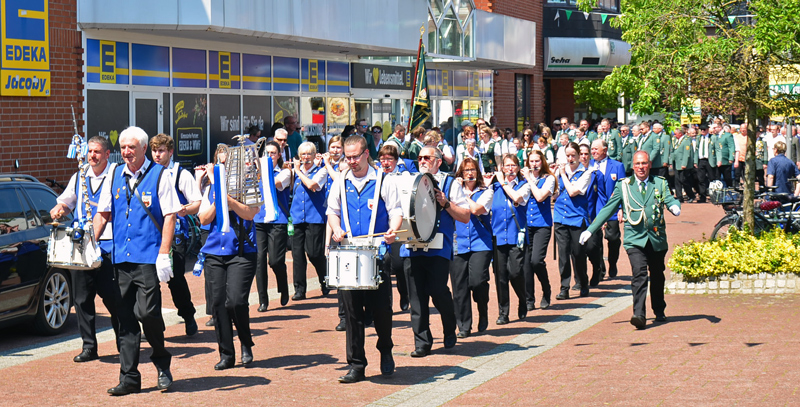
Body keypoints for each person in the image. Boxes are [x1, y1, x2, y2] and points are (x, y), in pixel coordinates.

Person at [93, 126, 179, 395]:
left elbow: (170, 216)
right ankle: (129, 377)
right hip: (120, 260)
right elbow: (103, 212)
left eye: (132, 147)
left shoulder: (160, 175)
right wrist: (91, 245)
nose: (126, 152)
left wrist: (164, 253)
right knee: (124, 319)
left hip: (148, 259)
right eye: (123, 147)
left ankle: (162, 362)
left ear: (144, 148)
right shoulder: (115, 174)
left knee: (147, 313)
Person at [327, 135, 403, 383]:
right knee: (352, 312)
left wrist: (392, 230)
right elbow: (333, 212)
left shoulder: (383, 179)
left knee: (381, 309)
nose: (351, 162)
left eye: (355, 156)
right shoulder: (340, 181)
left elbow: (395, 212)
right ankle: (357, 364)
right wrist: (336, 229)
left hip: (378, 252)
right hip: (349, 252)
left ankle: (386, 351)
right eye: (347, 157)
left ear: (366, 153)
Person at [580, 150, 681, 329]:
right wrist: (591, 229)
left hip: (656, 238)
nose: (641, 167)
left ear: (649, 164)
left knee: (657, 275)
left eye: (644, 163)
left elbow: (669, 199)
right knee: (639, 273)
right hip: (635, 238)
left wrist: (674, 206)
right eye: (637, 164)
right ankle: (639, 314)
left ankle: (659, 309)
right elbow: (608, 209)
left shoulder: (659, 183)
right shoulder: (624, 185)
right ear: (632, 166)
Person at [50, 136, 119, 363]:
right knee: (81, 299)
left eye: (97, 152)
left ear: (107, 154)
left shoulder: (115, 176)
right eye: (89, 151)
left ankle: (124, 340)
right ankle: (89, 346)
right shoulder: (79, 176)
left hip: (108, 246)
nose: (92, 156)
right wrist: (59, 209)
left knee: (113, 298)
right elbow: (66, 201)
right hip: (81, 248)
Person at [400, 146, 470, 357]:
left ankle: (450, 327)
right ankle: (422, 341)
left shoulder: (450, 183)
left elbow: (465, 215)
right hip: (412, 246)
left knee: (437, 290)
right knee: (416, 297)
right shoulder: (409, 181)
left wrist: (445, 203)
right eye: (419, 157)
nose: (422, 161)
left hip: (439, 247)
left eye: (427, 157)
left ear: (439, 161)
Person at [197, 157, 261, 370]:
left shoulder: (249, 186)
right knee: (218, 304)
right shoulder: (210, 189)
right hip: (215, 252)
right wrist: (218, 199)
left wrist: (229, 200)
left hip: (242, 251)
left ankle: (245, 342)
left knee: (235, 301)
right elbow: (204, 220)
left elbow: (250, 213)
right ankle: (226, 353)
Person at [150, 133, 201, 336]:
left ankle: (188, 314)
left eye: (161, 151)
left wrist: (185, 209)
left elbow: (196, 203)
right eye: (154, 150)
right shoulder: (149, 174)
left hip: (176, 235)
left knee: (175, 279)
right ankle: (156, 322)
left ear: (170, 152)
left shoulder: (181, 174)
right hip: (152, 234)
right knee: (149, 281)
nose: (157, 155)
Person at [451, 157, 493, 337]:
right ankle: (464, 325)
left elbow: (476, 209)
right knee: (459, 286)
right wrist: (455, 190)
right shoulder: (453, 191)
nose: (469, 173)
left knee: (477, 281)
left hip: (480, 242)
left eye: (472, 170)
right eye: (466, 170)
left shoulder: (486, 191)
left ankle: (483, 310)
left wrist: (461, 194)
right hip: (457, 242)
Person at [490, 154, 531, 324]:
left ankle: (523, 299)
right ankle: (503, 312)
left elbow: (517, 198)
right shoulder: (494, 188)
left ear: (518, 168)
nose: (510, 168)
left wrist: (503, 182)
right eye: (507, 166)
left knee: (515, 272)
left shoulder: (524, 186)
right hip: (498, 236)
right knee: (500, 276)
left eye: (513, 165)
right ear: (502, 168)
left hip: (516, 236)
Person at [254, 141, 293, 312]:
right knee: (259, 260)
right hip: (258, 220)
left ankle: (283, 287)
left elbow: (275, 183)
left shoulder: (284, 172)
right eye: (267, 153)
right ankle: (263, 299)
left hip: (278, 220)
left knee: (276, 261)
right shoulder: (255, 173)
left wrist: (260, 171)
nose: (270, 156)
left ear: (278, 155)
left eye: (273, 153)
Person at [553, 142, 592, 300]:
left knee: (578, 253)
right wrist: (552, 174)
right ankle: (564, 287)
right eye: (567, 156)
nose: (570, 159)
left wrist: (562, 174)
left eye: (573, 156)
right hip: (560, 217)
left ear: (579, 156)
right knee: (563, 254)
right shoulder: (560, 172)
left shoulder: (585, 173)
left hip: (576, 218)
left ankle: (583, 281)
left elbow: (573, 191)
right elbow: (553, 192)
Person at [290, 142, 329, 300]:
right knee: (297, 255)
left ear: (315, 156)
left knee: (314, 253)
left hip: (315, 218)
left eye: (308, 154)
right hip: (297, 218)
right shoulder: (293, 172)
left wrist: (298, 170)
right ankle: (299, 289)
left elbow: (312, 185)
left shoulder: (321, 171)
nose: (305, 157)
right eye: (303, 154)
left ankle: (325, 279)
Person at [587, 139, 625, 281]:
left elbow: (622, 188)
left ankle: (613, 262)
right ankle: (600, 267)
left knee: (613, 238)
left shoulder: (617, 166)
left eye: (596, 149)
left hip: (612, 207)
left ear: (605, 149)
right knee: (595, 241)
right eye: (592, 149)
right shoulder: (588, 165)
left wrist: (621, 208)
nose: (593, 152)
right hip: (595, 208)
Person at [521, 150, 555, 310]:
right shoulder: (523, 179)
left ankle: (546, 289)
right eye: (531, 161)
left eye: (537, 161)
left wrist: (529, 179)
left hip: (542, 224)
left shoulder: (548, 179)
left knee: (536, 260)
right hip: (526, 224)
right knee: (526, 263)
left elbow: (541, 196)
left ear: (542, 162)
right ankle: (529, 299)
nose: (534, 164)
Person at [671, 127, 697, 203]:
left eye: (675, 134)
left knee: (684, 180)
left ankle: (691, 195)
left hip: (682, 164)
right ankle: (679, 197)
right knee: (677, 181)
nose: (674, 135)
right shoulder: (677, 140)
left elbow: (686, 153)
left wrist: (684, 164)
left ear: (680, 133)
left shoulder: (686, 141)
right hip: (677, 163)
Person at [694, 125, 717, 202]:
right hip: (701, 160)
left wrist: (718, 160)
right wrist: (695, 161)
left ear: (707, 130)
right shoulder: (699, 138)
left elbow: (717, 149)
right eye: (701, 130)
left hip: (709, 160)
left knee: (712, 179)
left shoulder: (712, 137)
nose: (702, 131)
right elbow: (696, 150)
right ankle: (702, 196)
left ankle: (714, 196)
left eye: (704, 130)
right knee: (701, 179)